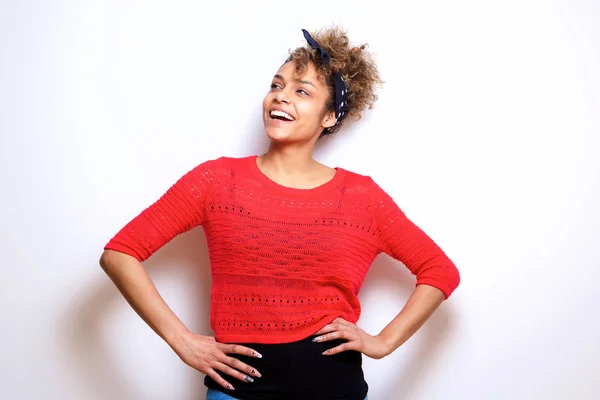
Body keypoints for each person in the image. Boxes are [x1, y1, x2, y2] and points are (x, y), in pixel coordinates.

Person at [99, 26, 460, 400]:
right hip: (236, 392)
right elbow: (119, 253)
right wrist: (182, 340)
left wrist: (383, 342)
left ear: (330, 117)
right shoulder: (215, 181)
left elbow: (439, 271)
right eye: (277, 85)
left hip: (335, 390)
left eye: (301, 91)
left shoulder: (361, 197)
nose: (280, 97)